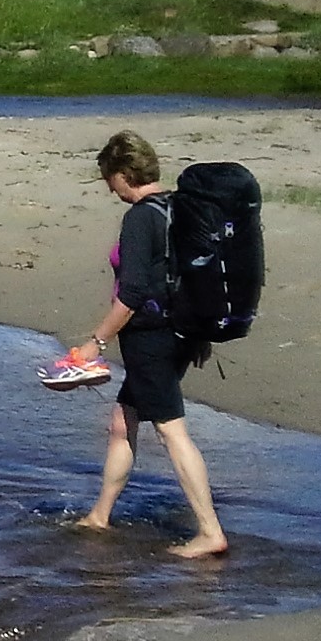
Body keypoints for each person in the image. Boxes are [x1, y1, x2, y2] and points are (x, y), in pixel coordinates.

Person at [70, 131, 229, 559]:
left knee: (172, 431)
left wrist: (95, 343)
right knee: (123, 422)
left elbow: (133, 291)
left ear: (124, 175)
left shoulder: (141, 217)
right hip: (179, 334)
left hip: (151, 338)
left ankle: (210, 531)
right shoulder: (180, 207)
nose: (109, 188)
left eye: (110, 179)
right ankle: (100, 514)